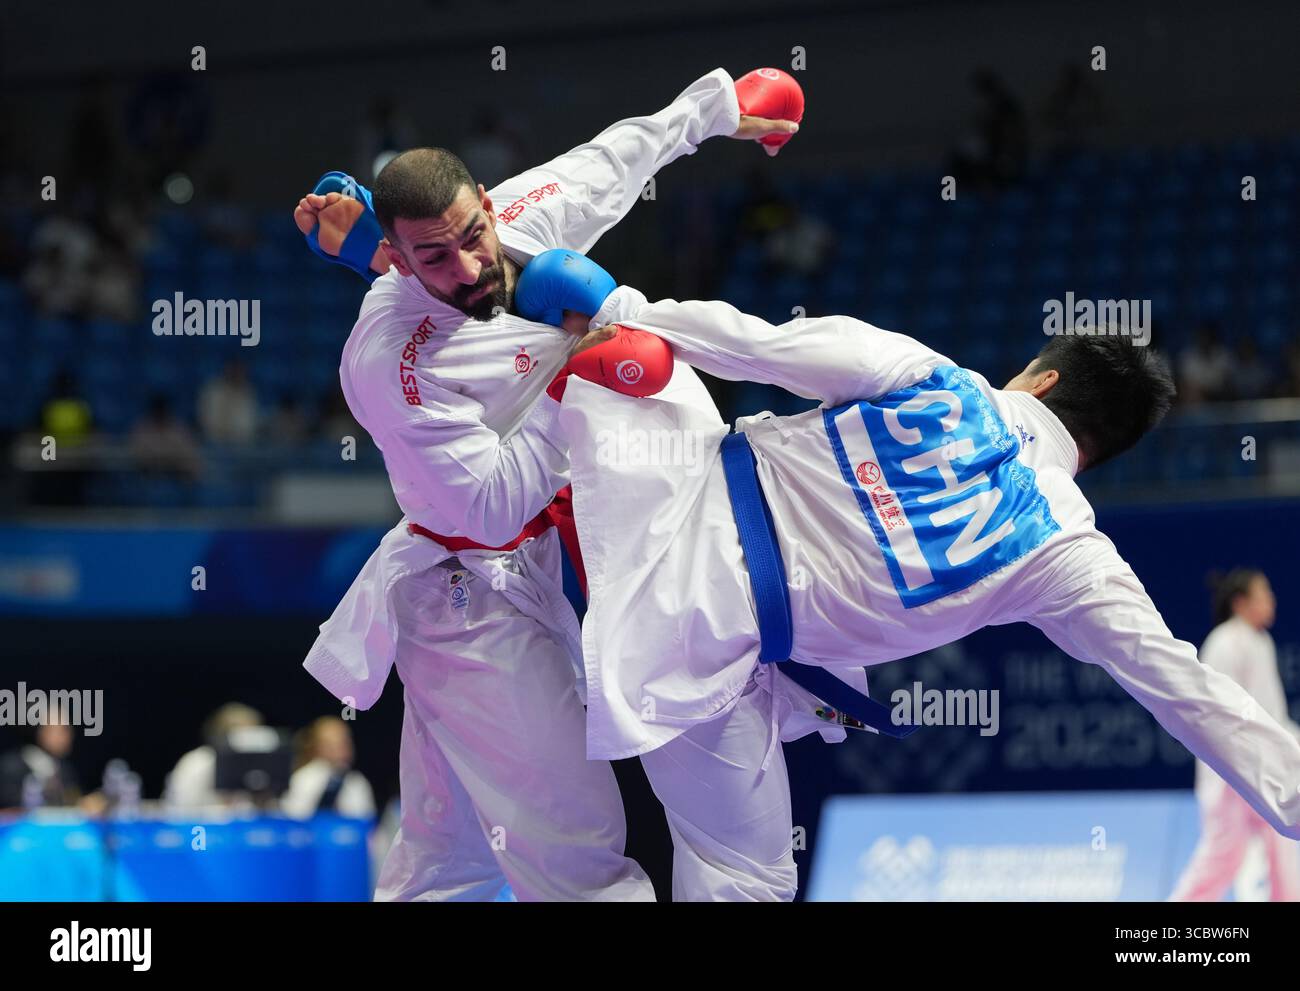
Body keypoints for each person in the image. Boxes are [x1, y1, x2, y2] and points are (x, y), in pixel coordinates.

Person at [543, 272, 1300, 900]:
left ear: (1044, 378)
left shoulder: (933, 373)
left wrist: (624, 313)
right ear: (1102, 453)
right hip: (696, 640)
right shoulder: (1067, 548)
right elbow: (1187, 691)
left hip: (652, 488)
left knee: (603, 315)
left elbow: (754, 344)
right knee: (749, 876)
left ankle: (537, 346)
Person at [294, 69, 799, 901]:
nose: (466, 264)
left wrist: (713, 111)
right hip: (466, 600)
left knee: (448, 863)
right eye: (432, 257)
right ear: (399, 257)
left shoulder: (516, 223)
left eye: (471, 236)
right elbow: (488, 503)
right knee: (577, 855)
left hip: (523, 575)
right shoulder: (389, 362)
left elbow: (614, 158)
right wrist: (580, 364)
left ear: (488, 204)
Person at [1169, 570, 1300, 901]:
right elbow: (1214, 716)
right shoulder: (1224, 643)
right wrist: (1234, 768)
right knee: (1223, 855)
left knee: (1283, 848)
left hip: (1264, 767)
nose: (1271, 599)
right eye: (1263, 592)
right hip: (1228, 775)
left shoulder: (1260, 640)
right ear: (1241, 602)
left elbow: (1272, 713)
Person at [282, 717, 376, 819]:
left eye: (345, 743)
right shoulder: (302, 779)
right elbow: (292, 819)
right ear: (317, 746)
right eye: (331, 745)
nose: (341, 750)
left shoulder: (358, 783)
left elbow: (366, 823)